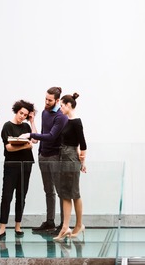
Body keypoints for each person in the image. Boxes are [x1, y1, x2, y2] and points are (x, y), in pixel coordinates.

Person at [19, 87, 68, 235]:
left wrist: (31, 134)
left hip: (55, 157)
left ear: (57, 101)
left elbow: (51, 136)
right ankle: (50, 222)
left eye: (50, 100)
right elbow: (42, 134)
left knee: (60, 192)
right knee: (48, 191)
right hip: (43, 156)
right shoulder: (45, 113)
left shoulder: (61, 117)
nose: (47, 102)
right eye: (46, 99)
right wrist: (39, 150)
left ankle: (62, 225)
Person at [0, 99, 37, 241]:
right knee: (6, 196)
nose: (22, 116)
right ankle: (2, 228)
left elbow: (35, 140)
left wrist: (32, 121)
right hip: (11, 165)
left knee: (21, 196)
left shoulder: (26, 126)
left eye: (25, 115)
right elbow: (9, 148)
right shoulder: (7, 126)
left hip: (26, 164)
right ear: (16, 111)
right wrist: (25, 146)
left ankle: (18, 226)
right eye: (20, 113)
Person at [53, 93, 87, 241]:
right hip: (65, 157)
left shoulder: (76, 122)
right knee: (66, 193)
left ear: (68, 105)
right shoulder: (67, 121)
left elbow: (82, 144)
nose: (60, 108)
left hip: (71, 158)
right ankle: (65, 227)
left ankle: (79, 225)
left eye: (61, 105)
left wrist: (82, 163)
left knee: (74, 193)